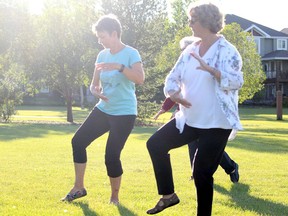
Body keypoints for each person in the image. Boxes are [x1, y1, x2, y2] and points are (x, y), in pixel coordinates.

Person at [146, 2, 243, 215]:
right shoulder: (190, 50)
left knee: (201, 173)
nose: (189, 24)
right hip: (189, 120)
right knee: (155, 144)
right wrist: (173, 93)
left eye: (193, 20)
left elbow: (237, 81)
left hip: (217, 124)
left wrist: (214, 72)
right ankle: (168, 195)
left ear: (207, 21)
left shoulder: (228, 51)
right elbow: (172, 78)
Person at [61, 14, 145, 205]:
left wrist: (120, 66)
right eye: (98, 37)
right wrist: (95, 91)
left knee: (111, 156)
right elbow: (93, 84)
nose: (100, 41)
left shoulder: (131, 53)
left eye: (103, 36)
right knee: (78, 141)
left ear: (114, 33)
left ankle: (114, 198)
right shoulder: (102, 55)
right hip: (104, 108)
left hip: (124, 112)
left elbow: (140, 79)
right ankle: (79, 187)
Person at [154, 36, 239, 184]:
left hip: (209, 116)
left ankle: (231, 167)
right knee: (193, 144)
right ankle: (196, 173)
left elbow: (228, 83)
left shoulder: (209, 63)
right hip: (190, 115)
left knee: (208, 148)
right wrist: (164, 108)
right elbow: (176, 90)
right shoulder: (185, 66)